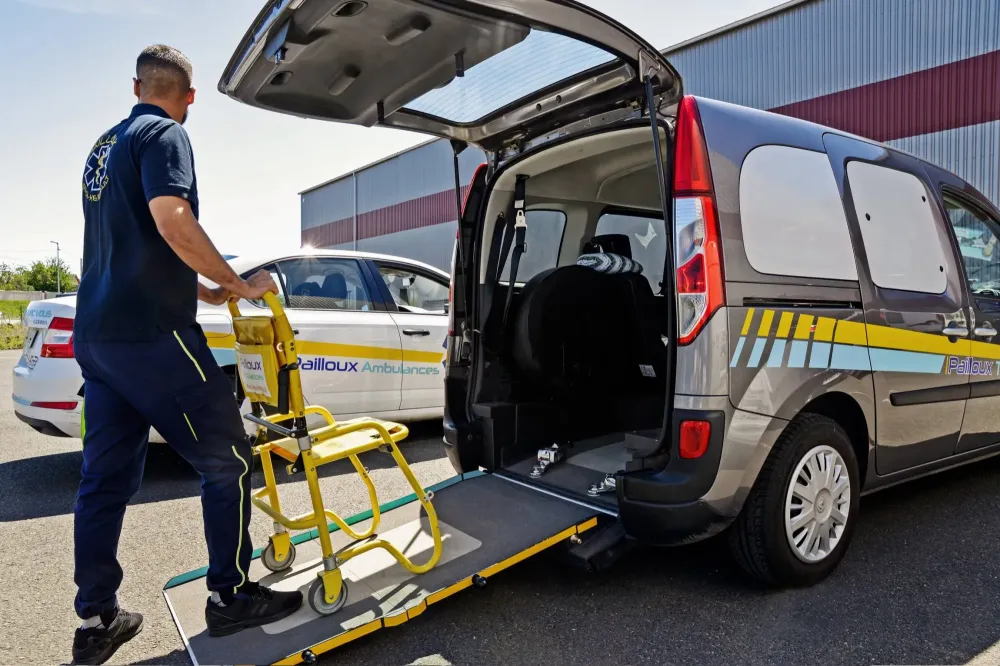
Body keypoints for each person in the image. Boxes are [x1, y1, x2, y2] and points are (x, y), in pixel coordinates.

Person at [72, 45, 302, 665]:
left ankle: (97, 620)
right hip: (153, 336)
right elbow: (171, 219)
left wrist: (200, 286)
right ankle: (229, 597)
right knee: (228, 458)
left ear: (137, 84)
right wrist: (236, 284)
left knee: (105, 480)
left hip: (98, 337)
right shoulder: (166, 133)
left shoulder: (104, 146)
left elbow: (135, 244)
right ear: (189, 96)